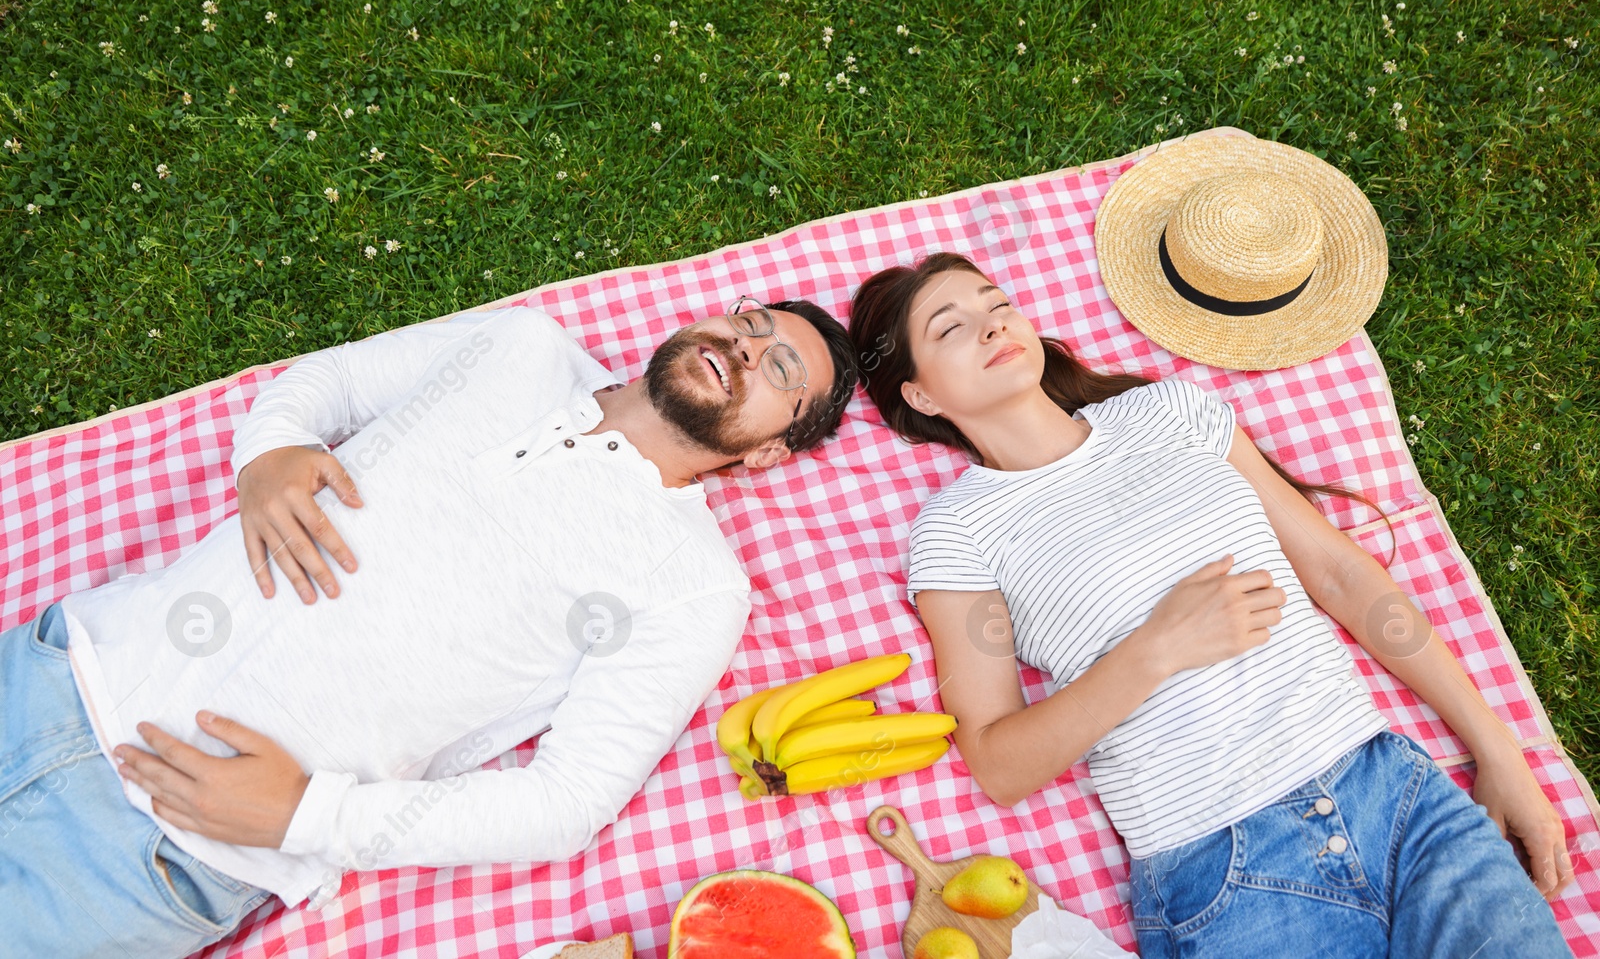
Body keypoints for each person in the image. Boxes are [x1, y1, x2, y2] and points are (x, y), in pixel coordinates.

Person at [1, 296, 855, 958]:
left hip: (166, 850)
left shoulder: (696, 587)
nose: (745, 345)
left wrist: (308, 816)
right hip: (61, 667)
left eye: (780, 366)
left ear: (771, 452)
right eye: (750, 321)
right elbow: (328, 382)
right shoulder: (523, 346)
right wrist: (268, 449)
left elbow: (565, 803)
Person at [847, 251, 1575, 957]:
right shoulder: (959, 529)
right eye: (951, 327)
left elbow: (1340, 574)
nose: (992, 325)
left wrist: (1499, 750)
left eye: (997, 304)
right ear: (922, 396)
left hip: (1395, 795)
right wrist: (1156, 648)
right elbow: (999, 762)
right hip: (1224, 867)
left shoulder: (1172, 412)